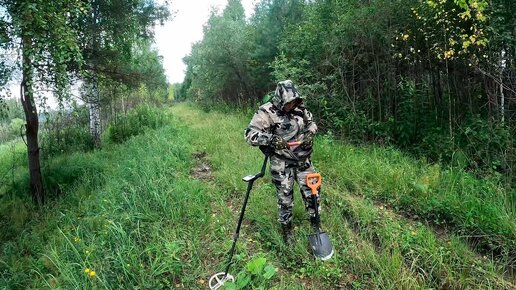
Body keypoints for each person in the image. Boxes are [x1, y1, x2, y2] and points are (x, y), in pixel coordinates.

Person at [244, 80, 320, 245]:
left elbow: (312, 123)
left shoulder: (300, 108)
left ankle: (316, 225)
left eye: (294, 102)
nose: (291, 105)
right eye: (288, 103)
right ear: (280, 100)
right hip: (282, 162)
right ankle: (287, 230)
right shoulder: (266, 111)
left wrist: (309, 134)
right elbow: (249, 134)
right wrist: (271, 139)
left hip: (303, 159)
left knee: (313, 192)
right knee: (285, 198)